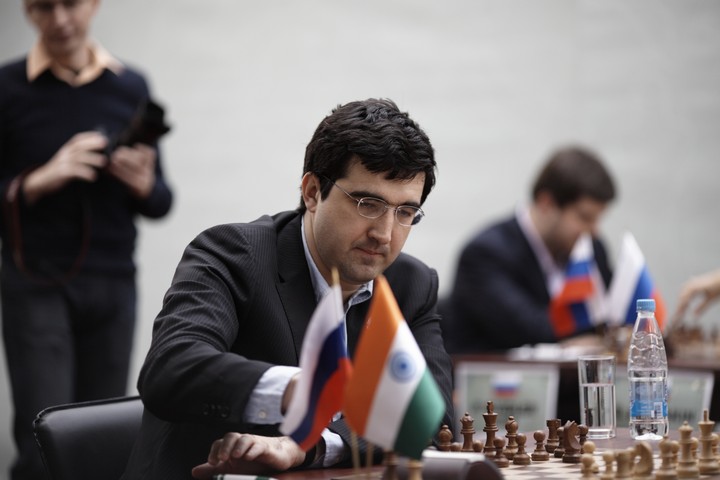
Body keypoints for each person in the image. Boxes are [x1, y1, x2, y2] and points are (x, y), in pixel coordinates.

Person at [120, 98, 454, 480]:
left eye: (405, 212)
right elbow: (171, 368)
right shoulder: (233, 255)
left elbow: (434, 420)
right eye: (368, 204)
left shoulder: (411, 285)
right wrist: (298, 388)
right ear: (312, 192)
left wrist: (313, 446)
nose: (385, 233)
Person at [0, 1, 173, 479]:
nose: (59, 20)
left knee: (100, 437)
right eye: (43, 6)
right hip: (35, 285)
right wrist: (42, 178)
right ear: (27, 11)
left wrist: (143, 184)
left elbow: (161, 201)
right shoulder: (7, 88)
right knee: (43, 437)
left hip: (113, 286)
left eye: (71, 4)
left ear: (93, 4)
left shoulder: (130, 85)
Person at [443, 146, 616, 352]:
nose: (594, 231)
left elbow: (612, 314)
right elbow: (530, 331)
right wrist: (599, 339)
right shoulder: (485, 254)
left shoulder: (591, 249)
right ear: (546, 203)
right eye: (584, 217)